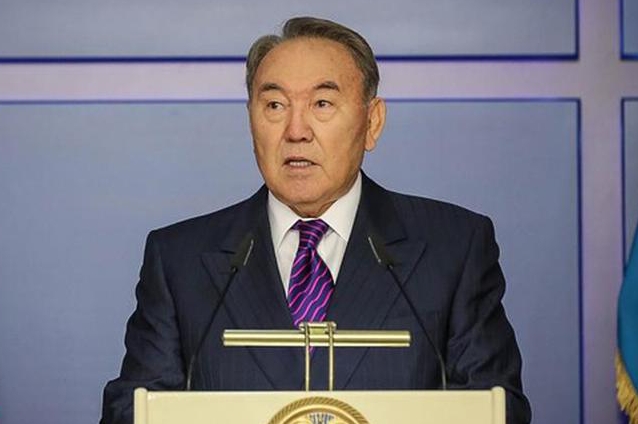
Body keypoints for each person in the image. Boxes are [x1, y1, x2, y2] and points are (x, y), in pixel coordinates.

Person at [101, 16, 531, 424]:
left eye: (322, 103)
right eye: (274, 105)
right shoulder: (180, 259)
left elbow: (497, 408)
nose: (296, 130)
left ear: (372, 122)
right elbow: (133, 411)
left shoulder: (453, 247)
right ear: (251, 120)